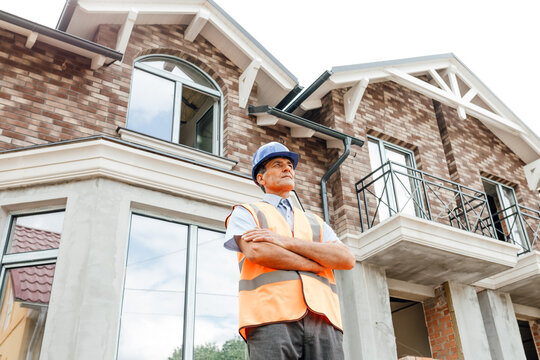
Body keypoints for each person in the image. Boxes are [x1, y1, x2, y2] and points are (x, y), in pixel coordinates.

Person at [224, 142, 355, 360]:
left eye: (290, 165)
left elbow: (346, 258)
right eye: (278, 164)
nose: (288, 169)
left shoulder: (315, 221)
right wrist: (315, 264)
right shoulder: (246, 212)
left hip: (324, 320)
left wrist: (282, 241)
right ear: (261, 178)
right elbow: (258, 252)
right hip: (270, 318)